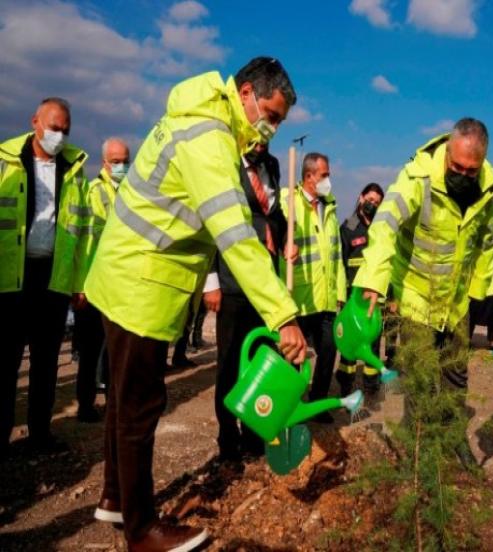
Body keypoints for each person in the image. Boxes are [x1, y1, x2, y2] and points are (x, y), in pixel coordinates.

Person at [83, 57, 307, 551]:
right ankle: (141, 531)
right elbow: (234, 235)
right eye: (270, 113)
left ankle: (116, 497)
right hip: (139, 281)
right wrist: (284, 315)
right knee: (141, 404)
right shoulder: (207, 138)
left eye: (280, 122)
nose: (271, 127)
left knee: (125, 398)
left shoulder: (200, 121)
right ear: (246, 93)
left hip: (129, 275)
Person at [354, 118, 493, 467]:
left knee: (455, 373)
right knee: (419, 376)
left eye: (470, 170)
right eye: (456, 167)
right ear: (447, 153)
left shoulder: (487, 189)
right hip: (417, 294)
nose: (462, 175)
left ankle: (453, 438)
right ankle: (416, 450)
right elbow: (386, 222)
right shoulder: (418, 177)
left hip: (456, 300)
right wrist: (374, 277)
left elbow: (486, 241)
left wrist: (479, 293)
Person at [0, 97, 90, 456]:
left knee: (46, 361)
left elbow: (80, 232)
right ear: (35, 121)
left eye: (65, 130)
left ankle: (40, 434)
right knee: (6, 363)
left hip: (52, 279)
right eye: (54, 128)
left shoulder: (73, 170)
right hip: (10, 280)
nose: (60, 136)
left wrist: (78, 283)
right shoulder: (6, 162)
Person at [202, 142, 288, 462]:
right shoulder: (225, 162)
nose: (263, 139)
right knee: (229, 365)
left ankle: (254, 433)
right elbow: (210, 220)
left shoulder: (273, 165)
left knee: (261, 361)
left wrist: (279, 232)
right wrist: (211, 283)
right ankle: (228, 439)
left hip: (266, 283)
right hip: (232, 280)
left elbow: (273, 212)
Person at [278, 152, 346, 423]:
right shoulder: (288, 204)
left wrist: (340, 293)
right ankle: (292, 403)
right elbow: (280, 238)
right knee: (295, 352)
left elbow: (335, 254)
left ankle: (318, 401)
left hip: (327, 297)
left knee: (329, 349)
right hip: (300, 295)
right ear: (308, 177)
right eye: (324, 175)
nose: (328, 180)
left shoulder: (329, 207)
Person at [74, 137, 130, 422]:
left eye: (125, 161)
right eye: (116, 161)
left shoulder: (128, 192)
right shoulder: (95, 191)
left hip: (119, 284)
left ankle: (112, 403)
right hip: (94, 282)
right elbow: (87, 241)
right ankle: (85, 405)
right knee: (91, 348)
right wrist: (81, 285)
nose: (122, 166)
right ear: (105, 162)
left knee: (115, 349)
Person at [336, 182, 385, 397]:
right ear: (360, 197)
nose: (372, 204)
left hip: (374, 300)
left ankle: (371, 386)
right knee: (349, 344)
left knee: (373, 344)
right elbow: (340, 263)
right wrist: (340, 296)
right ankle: (346, 385)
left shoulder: (381, 229)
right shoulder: (347, 228)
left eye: (376, 202)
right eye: (370, 199)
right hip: (353, 299)